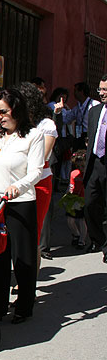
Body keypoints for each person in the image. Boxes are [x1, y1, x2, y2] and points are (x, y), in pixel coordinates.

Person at [0, 87, 45, 325]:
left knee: (23, 258)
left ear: (16, 109)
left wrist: (20, 187)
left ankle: (24, 306)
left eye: (3, 112)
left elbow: (36, 170)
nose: (0, 117)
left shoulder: (33, 136)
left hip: (21, 203)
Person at [18, 81, 58, 263]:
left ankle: (27, 281)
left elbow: (43, 156)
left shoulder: (46, 124)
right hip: (14, 181)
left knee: (33, 232)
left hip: (39, 182)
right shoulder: (15, 123)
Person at [83, 74, 107, 262]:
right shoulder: (94, 111)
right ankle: (100, 240)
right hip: (95, 163)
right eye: (100, 89)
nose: (102, 93)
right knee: (90, 204)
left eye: (105, 90)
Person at [59, 150, 88, 249]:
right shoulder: (73, 173)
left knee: (81, 220)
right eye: (78, 166)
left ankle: (82, 240)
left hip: (83, 199)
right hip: (73, 199)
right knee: (70, 220)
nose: (80, 169)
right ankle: (76, 234)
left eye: (83, 166)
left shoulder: (87, 174)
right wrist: (67, 195)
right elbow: (70, 185)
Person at [71, 82, 100, 151]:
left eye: (76, 91)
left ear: (81, 92)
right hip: (80, 137)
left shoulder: (95, 105)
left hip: (90, 136)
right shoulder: (77, 108)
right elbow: (67, 118)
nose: (74, 94)